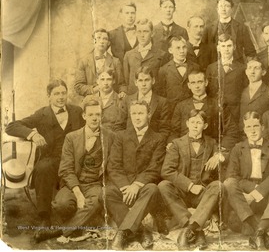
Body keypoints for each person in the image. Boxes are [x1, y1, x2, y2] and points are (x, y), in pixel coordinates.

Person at [5, 79, 85, 240]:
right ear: (49, 96)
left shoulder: (76, 111)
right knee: (43, 168)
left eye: (63, 93)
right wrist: (32, 134)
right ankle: (44, 218)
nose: (61, 97)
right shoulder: (41, 114)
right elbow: (11, 126)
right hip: (51, 160)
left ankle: (76, 220)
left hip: (74, 160)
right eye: (56, 94)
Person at [46, 98, 115, 240]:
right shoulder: (71, 137)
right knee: (61, 204)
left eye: (98, 114)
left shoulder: (110, 136)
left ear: (101, 115)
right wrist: (77, 193)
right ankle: (78, 224)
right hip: (74, 183)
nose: (95, 118)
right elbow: (65, 169)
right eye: (91, 115)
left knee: (96, 201)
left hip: (94, 184)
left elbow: (113, 166)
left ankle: (61, 231)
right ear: (84, 116)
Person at [103, 100, 167, 250]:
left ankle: (123, 233)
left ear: (149, 115)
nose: (137, 117)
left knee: (153, 189)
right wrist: (126, 186)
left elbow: (154, 168)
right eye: (134, 113)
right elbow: (114, 165)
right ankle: (141, 231)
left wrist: (136, 185)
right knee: (106, 193)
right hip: (124, 187)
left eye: (141, 113)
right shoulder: (121, 136)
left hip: (143, 188)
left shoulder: (158, 138)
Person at [224, 111, 269, 250]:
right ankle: (260, 233)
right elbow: (232, 175)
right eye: (248, 127)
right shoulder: (237, 149)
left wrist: (256, 193)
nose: (252, 130)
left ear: (263, 127)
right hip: (245, 201)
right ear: (244, 129)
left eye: (255, 126)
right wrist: (250, 191)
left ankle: (259, 232)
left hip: (266, 198)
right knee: (229, 183)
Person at [159, 109, 224, 250]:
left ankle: (187, 231)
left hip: (202, 194)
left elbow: (227, 153)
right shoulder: (176, 143)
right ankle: (196, 230)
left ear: (205, 126)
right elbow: (166, 170)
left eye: (199, 122)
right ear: (187, 123)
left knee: (218, 185)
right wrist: (189, 185)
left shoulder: (212, 143)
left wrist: (218, 155)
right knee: (164, 185)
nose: (195, 125)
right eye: (193, 122)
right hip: (182, 193)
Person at [170, 70, 240, 153]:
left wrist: (220, 149)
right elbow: (174, 131)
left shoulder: (218, 105)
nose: (197, 86)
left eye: (200, 82)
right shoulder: (181, 106)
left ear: (206, 82)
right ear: (189, 85)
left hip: (211, 150)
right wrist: (173, 144)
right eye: (193, 83)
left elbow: (232, 130)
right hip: (185, 151)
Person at [121, 18, 168, 97]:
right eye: (139, 32)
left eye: (145, 31)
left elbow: (164, 83)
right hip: (133, 98)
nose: (142, 35)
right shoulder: (129, 55)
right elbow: (125, 81)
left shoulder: (161, 55)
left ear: (152, 33)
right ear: (135, 33)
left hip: (155, 98)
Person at [120, 66, 171, 140]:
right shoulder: (127, 100)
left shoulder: (162, 102)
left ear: (153, 81)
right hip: (130, 143)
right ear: (136, 82)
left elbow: (165, 129)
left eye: (147, 80)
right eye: (140, 80)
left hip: (153, 144)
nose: (143, 84)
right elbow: (120, 126)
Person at [203, 0, 256, 64]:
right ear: (217, 9)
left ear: (232, 9)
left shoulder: (241, 28)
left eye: (227, 6)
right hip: (215, 68)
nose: (223, 9)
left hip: (236, 68)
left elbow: (250, 52)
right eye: (221, 6)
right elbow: (203, 52)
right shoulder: (209, 28)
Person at [206, 33, 246, 122]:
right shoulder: (211, 68)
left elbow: (245, 90)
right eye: (223, 46)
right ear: (218, 48)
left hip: (235, 111)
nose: (226, 49)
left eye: (229, 46)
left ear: (234, 47)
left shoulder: (242, 68)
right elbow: (208, 91)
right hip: (215, 111)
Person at [157, 36, 200, 116]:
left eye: (184, 47)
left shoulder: (195, 67)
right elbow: (161, 94)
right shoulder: (163, 70)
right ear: (170, 50)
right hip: (171, 111)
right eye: (178, 48)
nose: (182, 51)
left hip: (191, 111)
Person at [74, 28, 122, 97]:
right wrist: (94, 89)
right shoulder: (83, 61)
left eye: (105, 39)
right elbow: (78, 86)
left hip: (110, 101)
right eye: (98, 38)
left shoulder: (115, 62)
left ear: (109, 43)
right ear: (93, 41)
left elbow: (121, 85)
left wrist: (122, 92)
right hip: (90, 101)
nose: (101, 41)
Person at [239, 57, 269, 131]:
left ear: (263, 72)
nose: (252, 72)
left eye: (256, 68)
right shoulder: (242, 92)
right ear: (246, 72)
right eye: (249, 68)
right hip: (243, 136)